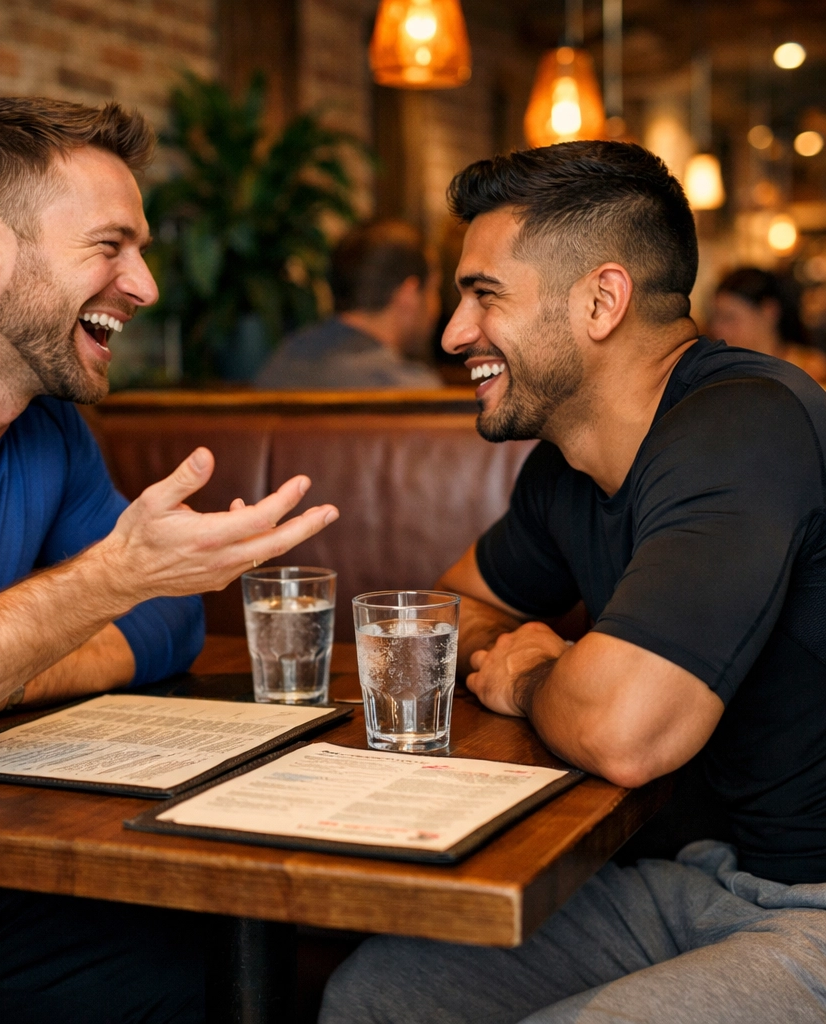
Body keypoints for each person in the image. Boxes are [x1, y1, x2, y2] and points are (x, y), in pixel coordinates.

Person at [0, 97, 338, 1024]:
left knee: (236, 991)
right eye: (110, 246)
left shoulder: (47, 427)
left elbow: (167, 620)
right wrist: (107, 580)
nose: (146, 285)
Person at [319, 142, 826, 1024]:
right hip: (695, 880)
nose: (453, 334)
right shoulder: (566, 469)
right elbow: (453, 609)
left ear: (601, 300)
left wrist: (529, 677)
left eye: (484, 295)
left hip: (813, 906)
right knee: (375, 996)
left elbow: (625, 734)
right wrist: (519, 655)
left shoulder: (748, 423)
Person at [255, 220, 443, 389]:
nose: (436, 307)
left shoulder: (280, 363)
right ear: (409, 295)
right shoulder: (409, 389)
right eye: (434, 289)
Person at [710, 265, 826, 386]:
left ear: (769, 311)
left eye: (729, 318)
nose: (718, 328)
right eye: (715, 318)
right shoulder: (721, 375)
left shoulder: (812, 374)